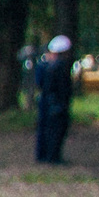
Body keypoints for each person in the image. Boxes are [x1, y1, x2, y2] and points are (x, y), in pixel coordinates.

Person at [33, 35, 75, 164]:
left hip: (45, 101)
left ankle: (42, 155)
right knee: (56, 130)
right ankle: (53, 156)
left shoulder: (43, 65)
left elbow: (39, 83)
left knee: (44, 129)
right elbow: (63, 87)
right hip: (56, 102)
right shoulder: (60, 67)